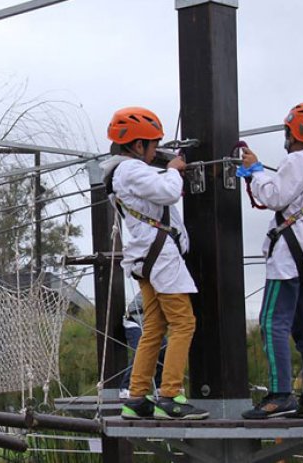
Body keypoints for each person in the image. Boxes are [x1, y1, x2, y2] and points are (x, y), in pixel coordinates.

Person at [101, 107, 208, 420]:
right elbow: (168, 192)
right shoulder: (132, 170)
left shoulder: (121, 172)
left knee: (154, 328)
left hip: (145, 257)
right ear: (137, 146)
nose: (154, 150)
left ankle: (137, 397)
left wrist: (166, 166)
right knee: (183, 323)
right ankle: (169, 395)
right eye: (152, 144)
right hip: (159, 257)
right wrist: (174, 168)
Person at [238, 102, 303, 419]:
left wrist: (255, 171)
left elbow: (274, 197)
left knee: (273, 325)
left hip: (288, 255)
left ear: (294, 131)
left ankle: (280, 394)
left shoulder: (297, 160)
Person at [119, 292, 166, 400]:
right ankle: (125, 387)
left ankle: (159, 386)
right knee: (142, 351)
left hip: (152, 326)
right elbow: (133, 310)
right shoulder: (153, 288)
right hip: (134, 322)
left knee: (164, 348)